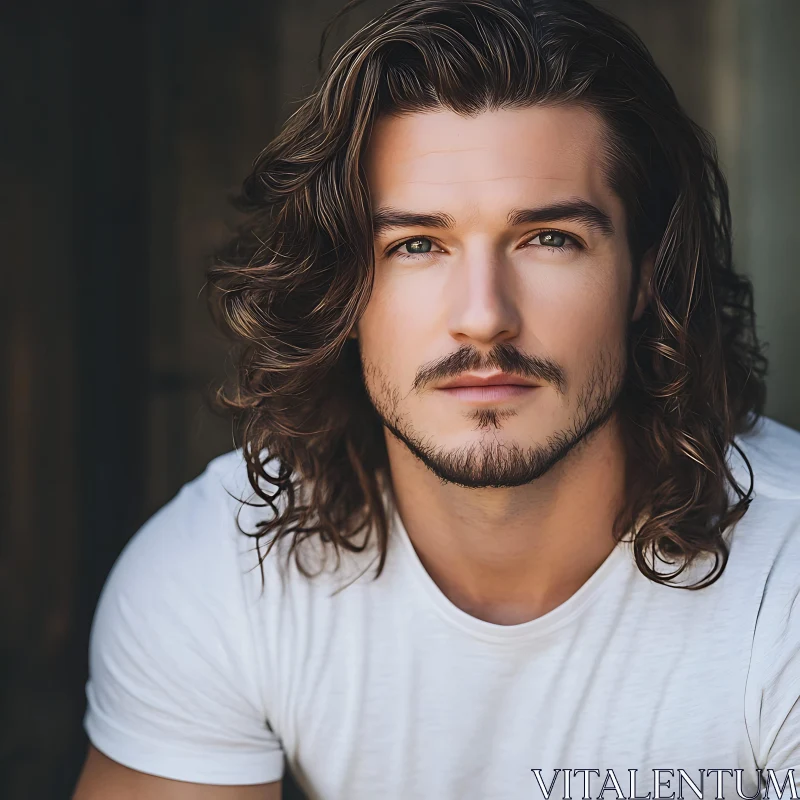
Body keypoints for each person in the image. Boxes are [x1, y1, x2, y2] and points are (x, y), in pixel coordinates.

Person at [73, 0, 800, 798]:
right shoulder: (215, 572)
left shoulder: (784, 573)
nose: (485, 313)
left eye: (549, 239)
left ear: (644, 278)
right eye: (417, 245)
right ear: (343, 291)